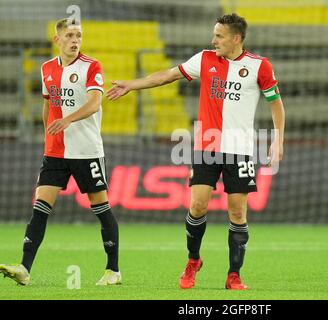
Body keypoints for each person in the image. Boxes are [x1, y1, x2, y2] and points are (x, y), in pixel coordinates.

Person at [107, 13, 285, 290]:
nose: (213, 40)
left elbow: (276, 103)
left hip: (240, 150)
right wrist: (132, 84)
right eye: (214, 35)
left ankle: (234, 275)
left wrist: (278, 139)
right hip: (207, 147)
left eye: (219, 36)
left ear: (236, 39)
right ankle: (193, 260)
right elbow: (166, 76)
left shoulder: (259, 66)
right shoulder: (204, 59)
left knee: (237, 213)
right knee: (197, 205)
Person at [0, 18, 121, 286]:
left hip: (86, 150)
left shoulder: (92, 66)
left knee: (101, 208)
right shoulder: (47, 69)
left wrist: (67, 120)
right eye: (69, 35)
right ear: (58, 39)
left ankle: (113, 270)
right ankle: (24, 268)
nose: (75, 40)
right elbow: (47, 104)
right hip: (56, 152)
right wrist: (48, 136)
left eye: (78, 35)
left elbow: (94, 104)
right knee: (40, 208)